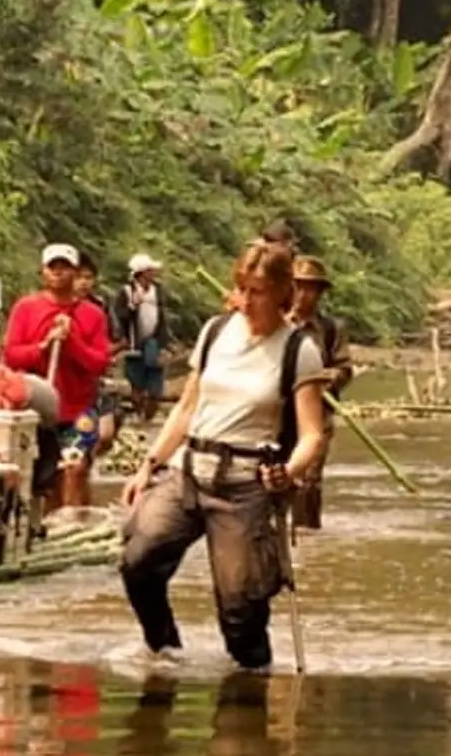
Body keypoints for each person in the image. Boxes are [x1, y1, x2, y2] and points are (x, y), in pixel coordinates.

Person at [120, 239, 328, 671]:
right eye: (243, 288)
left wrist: (288, 474)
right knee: (138, 561)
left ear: (281, 293)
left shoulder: (298, 351)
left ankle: (252, 684)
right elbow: (187, 407)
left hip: (243, 487)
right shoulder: (216, 331)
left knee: (239, 608)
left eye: (258, 292)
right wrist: (149, 465)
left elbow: (313, 435)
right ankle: (165, 650)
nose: (246, 301)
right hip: (188, 472)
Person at [5, 243, 115, 512]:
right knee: (44, 477)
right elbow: (11, 356)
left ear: (75, 273)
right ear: (42, 271)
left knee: (74, 469)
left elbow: (100, 362)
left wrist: (72, 342)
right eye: (52, 267)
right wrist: (42, 347)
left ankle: (73, 527)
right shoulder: (25, 308)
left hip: (77, 409)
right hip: (36, 409)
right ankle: (45, 529)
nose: (58, 273)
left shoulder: (93, 315)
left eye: (64, 268)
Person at [286, 254, 356, 528]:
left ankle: (307, 533)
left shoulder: (330, 329)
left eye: (310, 288)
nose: (303, 295)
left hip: (318, 415)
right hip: (280, 411)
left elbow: (344, 368)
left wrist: (328, 378)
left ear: (320, 293)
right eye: (298, 286)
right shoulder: (277, 324)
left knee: (309, 479)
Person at [111, 254, 180, 424]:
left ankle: (149, 412)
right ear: (142, 273)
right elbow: (120, 317)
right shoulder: (126, 292)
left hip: (153, 342)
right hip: (133, 343)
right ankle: (139, 412)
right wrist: (133, 305)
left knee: (155, 380)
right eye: (150, 271)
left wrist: (167, 342)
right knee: (136, 381)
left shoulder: (157, 290)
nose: (154, 274)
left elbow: (162, 317)